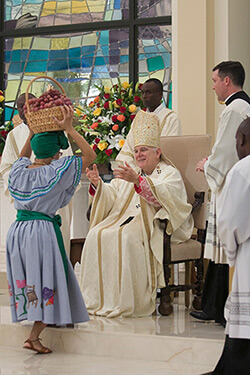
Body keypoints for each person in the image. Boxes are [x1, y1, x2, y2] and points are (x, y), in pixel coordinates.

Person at [79, 110, 193, 318]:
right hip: (125, 219)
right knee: (97, 233)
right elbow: (113, 193)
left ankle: (129, 300)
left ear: (157, 152)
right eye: (137, 150)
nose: (139, 154)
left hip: (154, 225)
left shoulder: (168, 172)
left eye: (144, 150)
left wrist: (138, 182)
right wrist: (98, 184)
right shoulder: (134, 172)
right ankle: (100, 299)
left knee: (126, 237)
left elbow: (169, 200)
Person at [6, 105, 96, 354]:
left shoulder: (19, 172)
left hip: (18, 232)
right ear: (57, 152)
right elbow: (89, 157)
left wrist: (31, 134)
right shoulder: (57, 170)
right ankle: (34, 336)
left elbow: (22, 158)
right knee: (49, 280)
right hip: (41, 232)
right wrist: (70, 129)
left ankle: (38, 325)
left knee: (32, 281)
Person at [190, 61, 250, 325]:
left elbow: (228, 151)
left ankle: (219, 309)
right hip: (232, 181)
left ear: (227, 81)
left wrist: (208, 165)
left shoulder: (236, 108)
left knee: (226, 248)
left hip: (230, 184)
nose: (213, 87)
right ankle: (214, 306)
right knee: (222, 252)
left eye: (215, 81)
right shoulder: (240, 106)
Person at [202, 117, 250, 375]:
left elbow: (230, 222)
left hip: (248, 256)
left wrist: (232, 255)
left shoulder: (243, 170)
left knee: (244, 332)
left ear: (240, 141)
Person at [0, 93, 73, 256]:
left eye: (29, 105)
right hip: (27, 202)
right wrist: (22, 186)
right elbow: (6, 167)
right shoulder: (14, 134)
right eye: (20, 106)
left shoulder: (54, 127)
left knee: (53, 254)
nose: (24, 110)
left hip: (52, 198)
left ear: (37, 106)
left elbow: (67, 159)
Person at [116, 78, 181, 167]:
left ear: (160, 95)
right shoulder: (139, 119)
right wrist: (132, 168)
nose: (144, 96)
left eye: (148, 92)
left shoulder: (171, 118)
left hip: (160, 172)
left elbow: (169, 151)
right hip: (137, 170)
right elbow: (128, 147)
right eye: (142, 92)